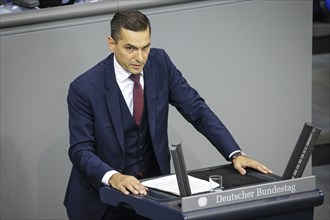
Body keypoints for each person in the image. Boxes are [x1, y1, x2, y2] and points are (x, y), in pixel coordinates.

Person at [63, 9, 272, 220]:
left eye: (145, 47)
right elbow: (80, 150)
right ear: (111, 43)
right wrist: (114, 177)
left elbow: (197, 110)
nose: (140, 57)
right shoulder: (85, 88)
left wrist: (235, 153)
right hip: (101, 203)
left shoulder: (160, 63)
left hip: (152, 196)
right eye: (130, 48)